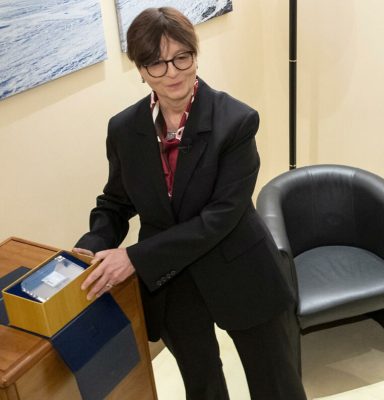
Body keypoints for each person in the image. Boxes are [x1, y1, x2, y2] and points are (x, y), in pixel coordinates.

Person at [73, 7, 306, 400]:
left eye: (183, 57)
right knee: (202, 387)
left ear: (196, 54)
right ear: (141, 70)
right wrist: (92, 245)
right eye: (157, 63)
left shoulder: (237, 120)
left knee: (276, 386)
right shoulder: (124, 129)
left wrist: (133, 257)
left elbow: (220, 218)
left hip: (240, 269)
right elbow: (115, 200)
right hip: (173, 281)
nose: (173, 72)